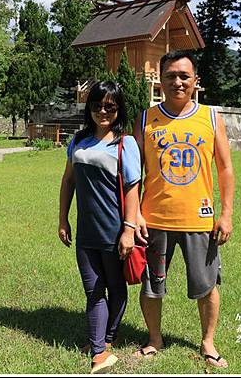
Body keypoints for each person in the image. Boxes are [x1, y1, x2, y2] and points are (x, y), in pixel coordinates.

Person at [131, 50, 235, 369]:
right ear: (160, 80)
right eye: (171, 75)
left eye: (184, 76)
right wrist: (133, 214)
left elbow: (225, 169)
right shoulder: (146, 118)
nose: (177, 81)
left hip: (199, 219)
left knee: (207, 285)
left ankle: (208, 342)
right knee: (152, 284)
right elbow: (133, 172)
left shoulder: (211, 117)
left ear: (195, 81)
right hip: (154, 220)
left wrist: (226, 214)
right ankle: (154, 338)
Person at [58, 81, 142, 374]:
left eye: (110, 106)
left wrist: (128, 230)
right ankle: (99, 350)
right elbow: (68, 181)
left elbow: (132, 188)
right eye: (97, 105)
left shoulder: (125, 143)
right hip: (86, 233)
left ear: (119, 109)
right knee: (93, 290)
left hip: (114, 231)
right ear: (89, 107)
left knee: (116, 288)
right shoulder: (78, 140)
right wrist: (62, 219)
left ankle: (105, 339)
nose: (102, 111)